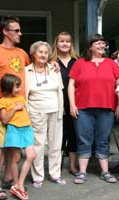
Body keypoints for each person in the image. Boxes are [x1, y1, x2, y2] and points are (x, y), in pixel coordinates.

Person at [0, 16, 30, 200]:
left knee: (13, 146)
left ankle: (9, 177)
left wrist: (54, 65)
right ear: (5, 31)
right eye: (16, 30)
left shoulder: (22, 53)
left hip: (19, 108)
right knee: (0, 146)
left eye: (19, 30)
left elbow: (34, 69)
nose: (20, 33)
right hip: (2, 106)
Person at [68, 33, 119, 184]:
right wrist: (72, 104)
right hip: (83, 108)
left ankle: (105, 172)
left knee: (103, 140)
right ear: (90, 46)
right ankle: (82, 172)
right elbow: (71, 85)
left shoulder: (111, 63)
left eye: (103, 43)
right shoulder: (80, 63)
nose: (101, 45)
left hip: (107, 108)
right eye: (97, 43)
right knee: (84, 140)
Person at [25, 41, 66, 188]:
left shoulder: (54, 69)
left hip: (55, 111)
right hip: (36, 112)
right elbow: (24, 94)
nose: (43, 55)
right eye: (40, 52)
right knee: (38, 145)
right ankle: (38, 177)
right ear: (33, 54)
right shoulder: (26, 71)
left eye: (46, 52)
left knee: (56, 144)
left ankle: (55, 174)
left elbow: (60, 89)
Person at [0, 74, 36, 200]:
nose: (19, 89)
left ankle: (19, 183)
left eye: (19, 86)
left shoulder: (21, 97)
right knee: (16, 157)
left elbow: (25, 112)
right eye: (16, 86)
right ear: (8, 87)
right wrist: (14, 108)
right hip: (14, 130)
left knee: (31, 155)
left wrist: (30, 122)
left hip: (26, 129)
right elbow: (4, 120)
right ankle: (16, 184)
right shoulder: (3, 101)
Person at [51, 32, 79, 176]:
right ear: (56, 43)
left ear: (71, 44)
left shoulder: (77, 61)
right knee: (59, 136)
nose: (64, 44)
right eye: (61, 41)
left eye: (67, 41)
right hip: (57, 104)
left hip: (75, 104)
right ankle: (57, 167)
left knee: (73, 135)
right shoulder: (51, 62)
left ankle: (73, 166)